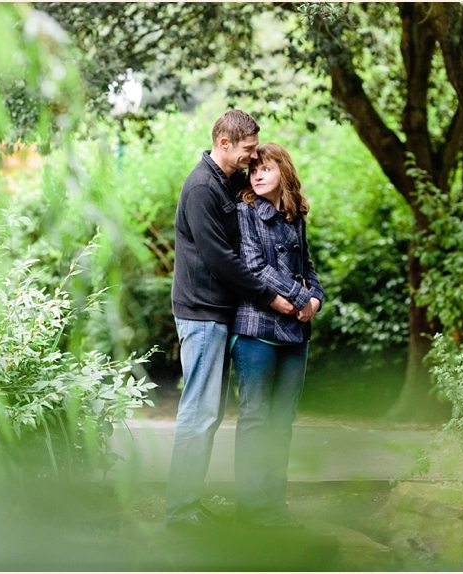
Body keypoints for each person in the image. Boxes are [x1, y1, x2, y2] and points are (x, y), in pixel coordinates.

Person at [166, 110, 296, 530]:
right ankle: (180, 511)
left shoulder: (228, 183)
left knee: (209, 414)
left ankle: (188, 503)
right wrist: (268, 296)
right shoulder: (202, 186)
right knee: (199, 414)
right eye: (247, 149)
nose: (252, 156)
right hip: (201, 314)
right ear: (224, 143)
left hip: (220, 315)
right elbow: (220, 258)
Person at [232, 142, 324, 527]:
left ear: (283, 171)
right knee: (255, 417)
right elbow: (254, 267)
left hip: (296, 335)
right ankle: (252, 507)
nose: (257, 174)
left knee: (282, 421)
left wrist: (315, 300)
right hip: (257, 331)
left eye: (266, 168)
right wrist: (300, 296)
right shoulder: (246, 211)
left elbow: (310, 266)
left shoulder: (296, 218)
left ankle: (274, 502)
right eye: (254, 169)